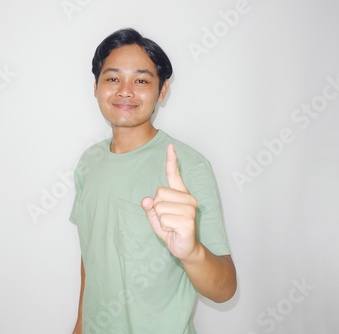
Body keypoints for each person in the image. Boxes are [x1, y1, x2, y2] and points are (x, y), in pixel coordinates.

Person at [70, 28, 237, 334]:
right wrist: (81, 323)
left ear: (162, 91)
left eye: (142, 80)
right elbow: (91, 252)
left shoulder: (188, 166)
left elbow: (225, 289)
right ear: (96, 87)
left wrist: (192, 252)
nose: (125, 90)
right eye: (112, 78)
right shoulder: (88, 163)